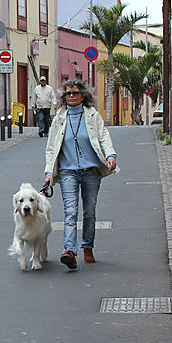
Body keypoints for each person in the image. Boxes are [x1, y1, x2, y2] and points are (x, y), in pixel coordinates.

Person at [43, 79, 119, 270]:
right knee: (70, 211)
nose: (71, 96)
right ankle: (69, 250)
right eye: (68, 93)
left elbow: (103, 136)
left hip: (91, 171)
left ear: (83, 95)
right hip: (68, 171)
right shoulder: (59, 118)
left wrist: (110, 155)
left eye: (75, 93)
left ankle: (87, 246)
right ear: (64, 97)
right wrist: (48, 172)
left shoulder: (92, 116)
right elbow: (51, 148)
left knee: (89, 212)